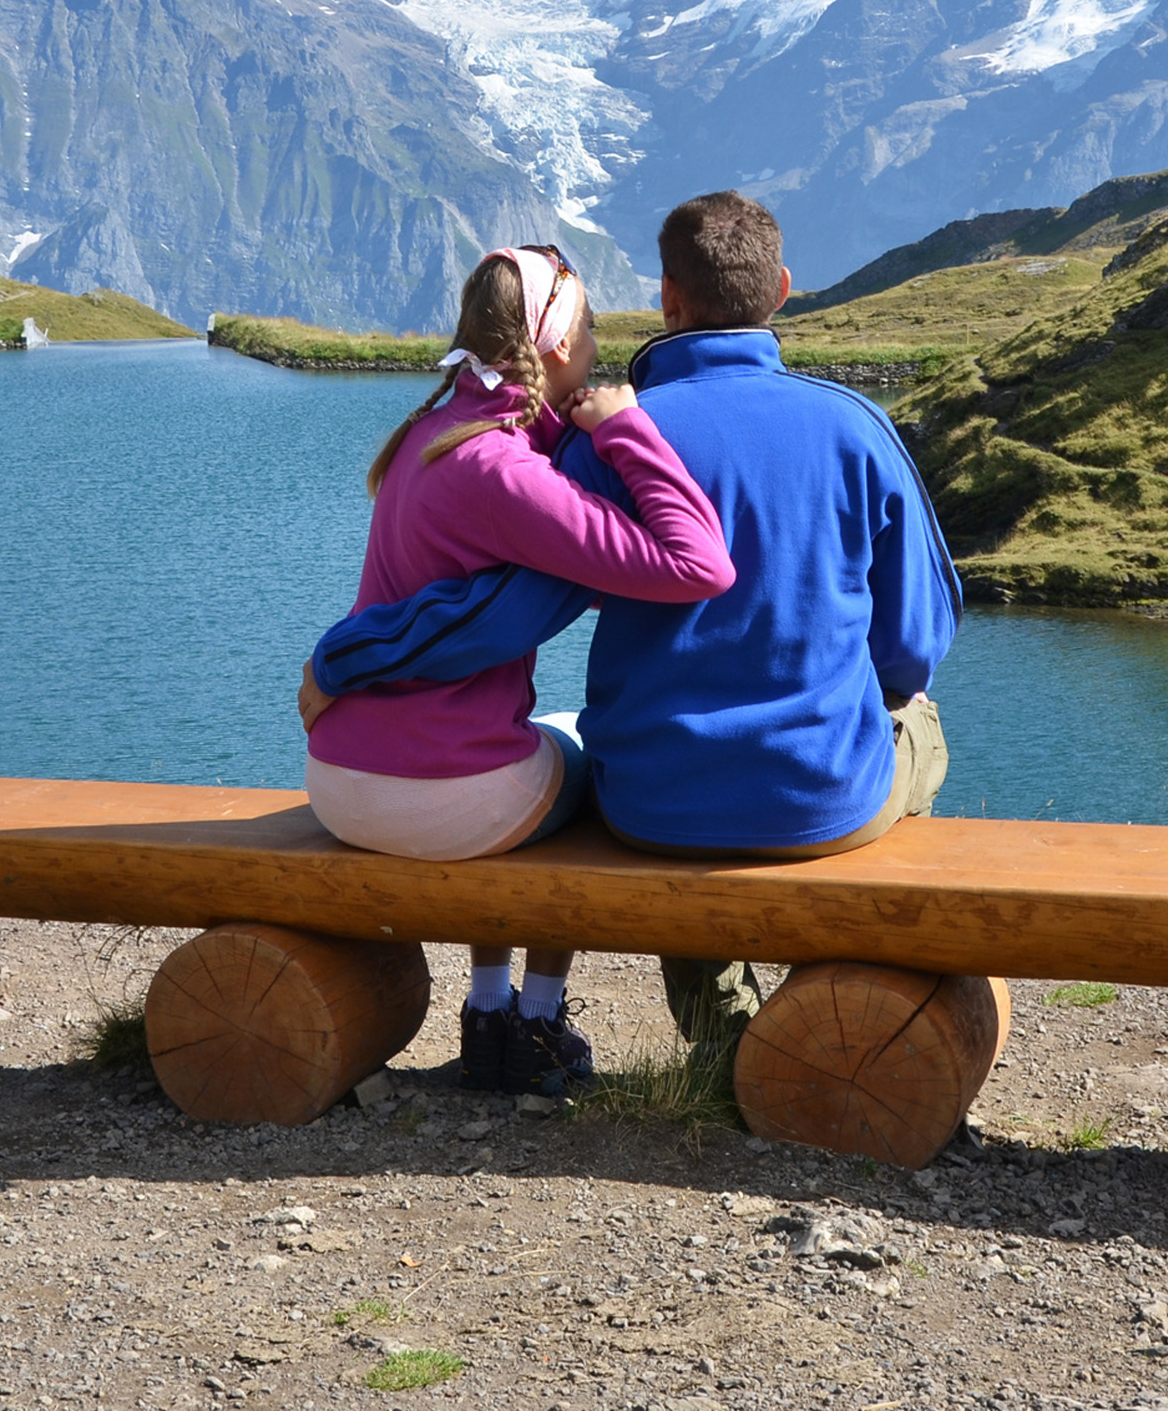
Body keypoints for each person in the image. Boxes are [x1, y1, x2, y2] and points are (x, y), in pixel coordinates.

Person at [301, 192, 959, 1057]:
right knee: (921, 722)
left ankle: (721, 1035)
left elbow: (504, 614)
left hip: (652, 803)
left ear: (668, 298)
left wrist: (343, 662)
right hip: (822, 796)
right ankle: (847, 992)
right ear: (785, 290)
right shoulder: (857, 427)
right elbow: (913, 646)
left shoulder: (594, 443)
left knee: (644, 772)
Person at [305, 242, 735, 1094]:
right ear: (551, 344)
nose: (596, 352)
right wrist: (624, 430)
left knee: (532, 751)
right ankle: (533, 1020)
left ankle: (486, 1005)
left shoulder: (431, 432)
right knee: (596, 761)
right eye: (587, 334)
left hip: (339, 778)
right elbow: (698, 566)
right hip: (431, 800)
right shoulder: (502, 468)